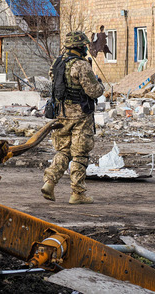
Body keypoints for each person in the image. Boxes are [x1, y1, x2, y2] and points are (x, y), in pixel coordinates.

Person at [41, 31, 105, 204]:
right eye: (84, 46)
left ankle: (49, 182)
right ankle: (78, 193)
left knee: (63, 151)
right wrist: (99, 83)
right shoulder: (81, 66)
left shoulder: (57, 63)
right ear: (79, 46)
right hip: (80, 116)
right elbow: (94, 91)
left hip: (61, 114)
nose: (86, 48)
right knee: (79, 154)